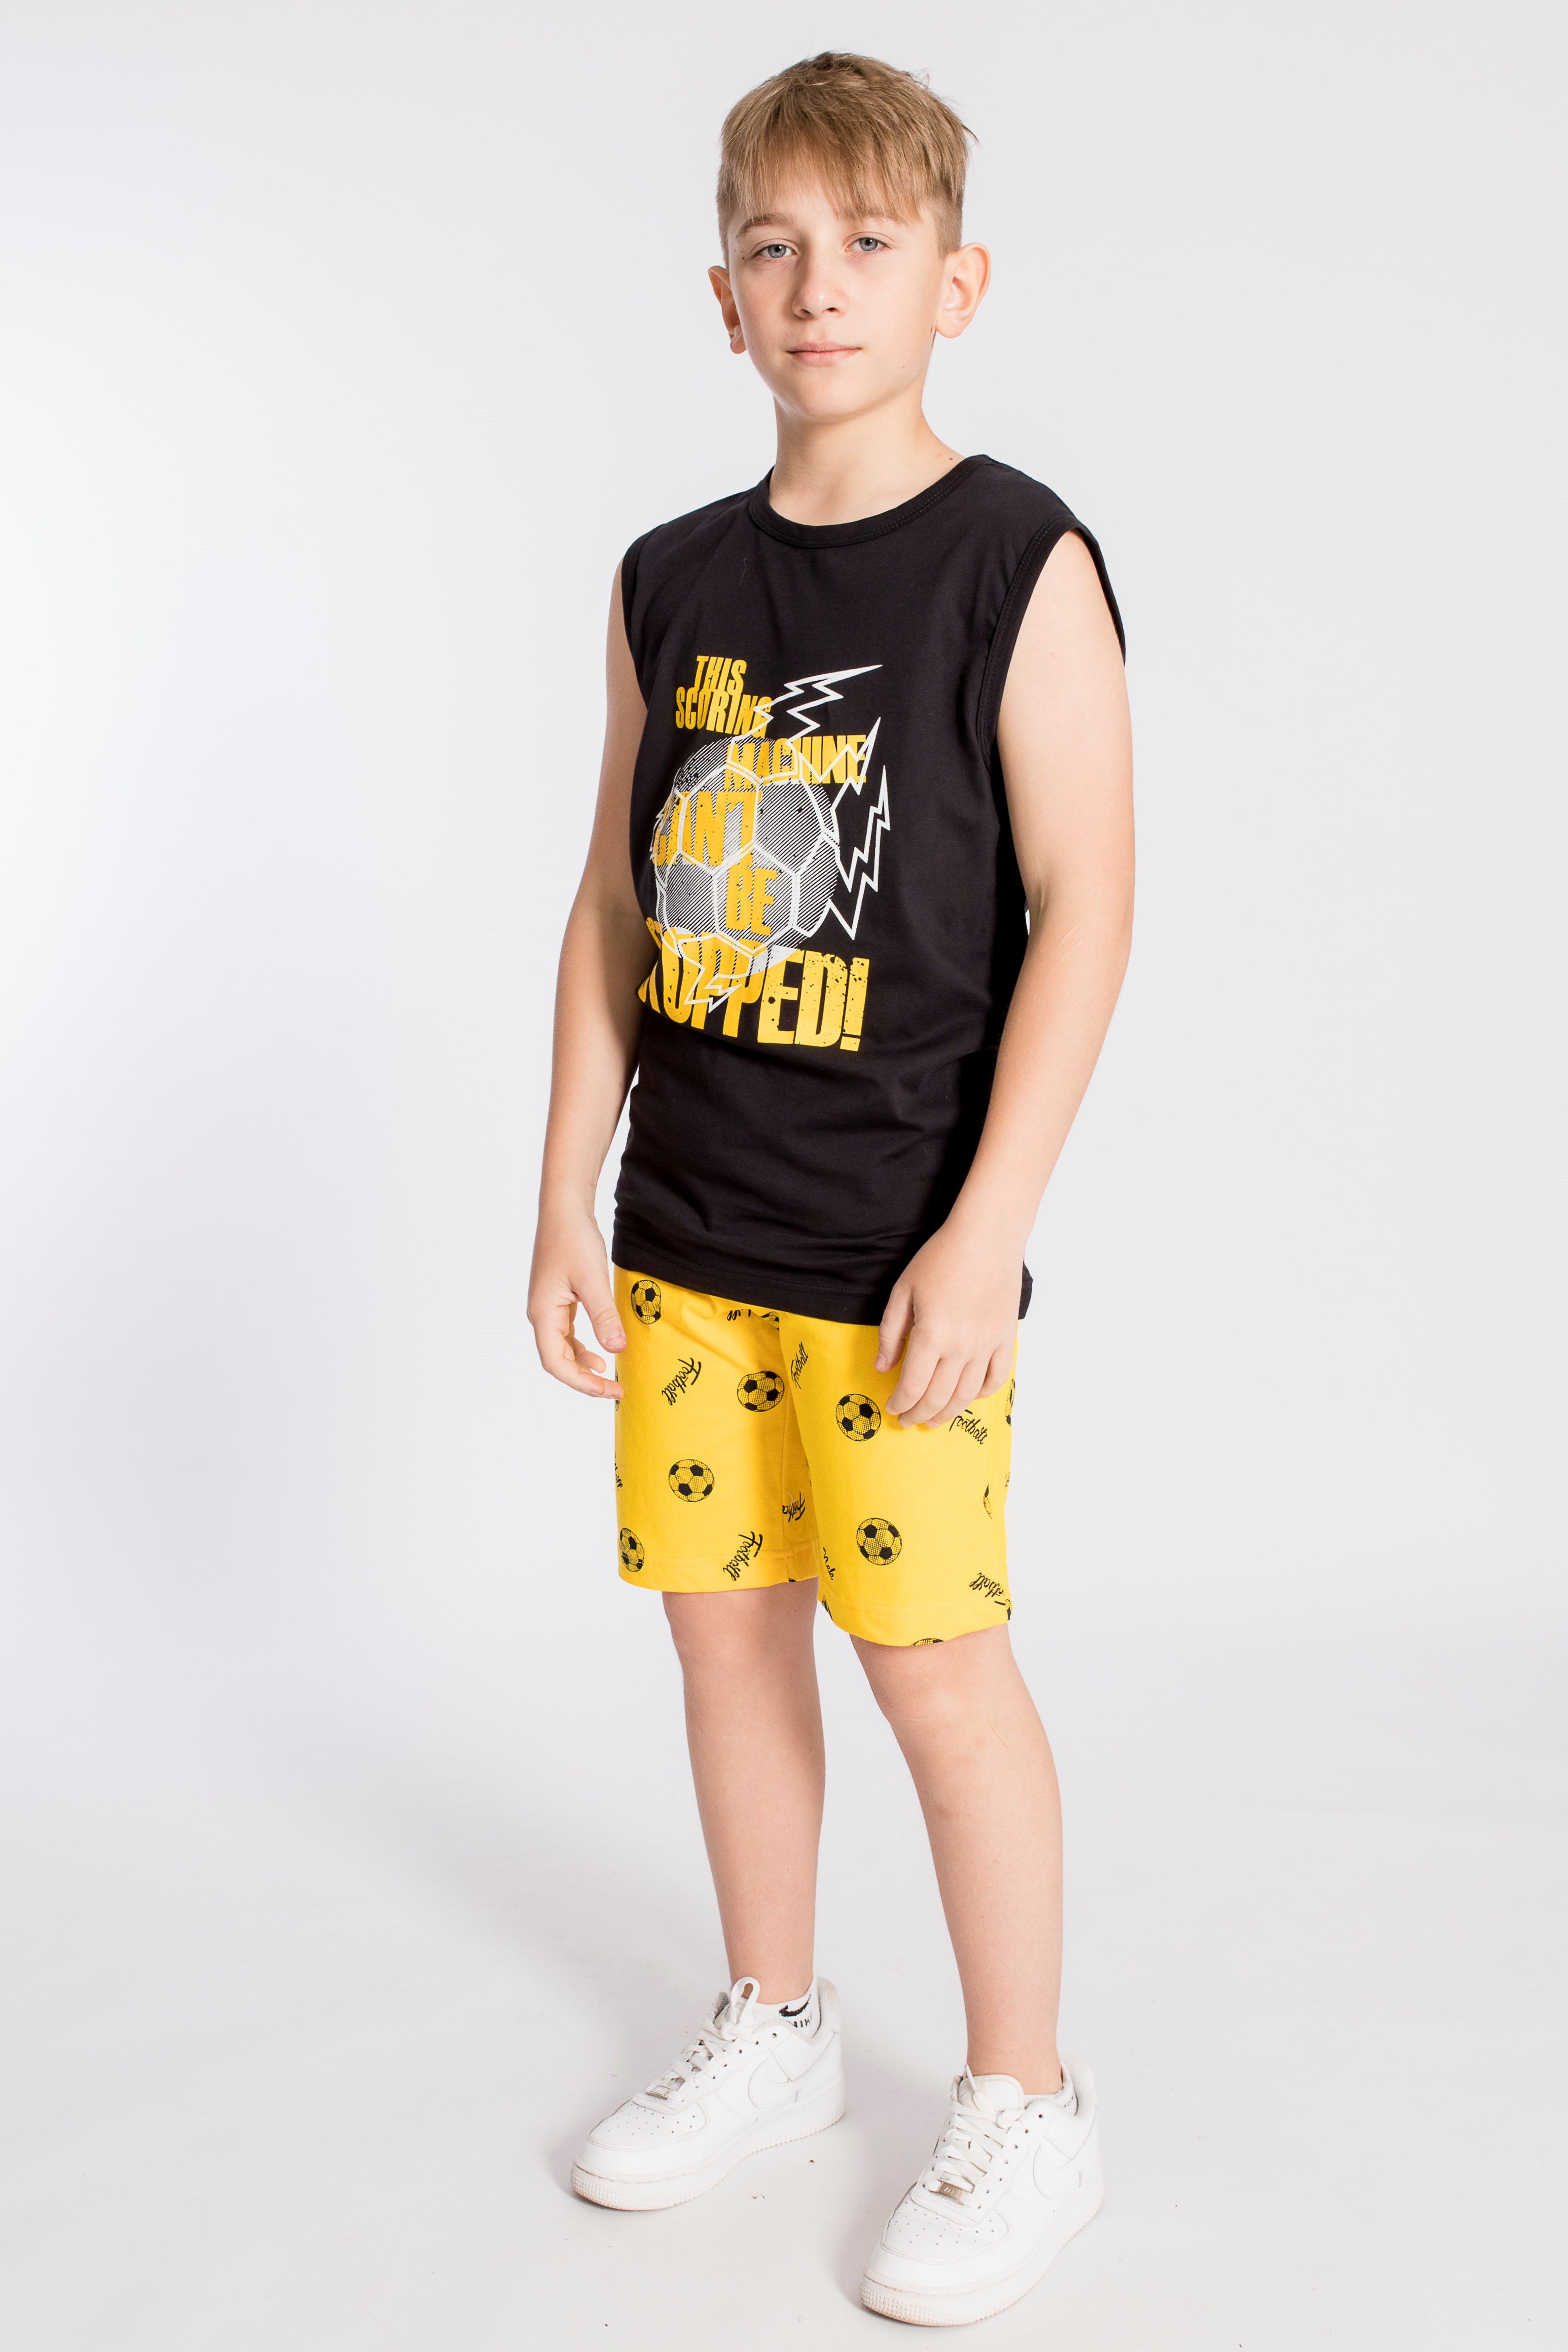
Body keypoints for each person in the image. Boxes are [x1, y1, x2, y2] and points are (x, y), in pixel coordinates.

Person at [527, 50, 1132, 2329]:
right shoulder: (667, 579)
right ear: (721, 293)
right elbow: (613, 901)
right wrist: (564, 1193)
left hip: (895, 1266)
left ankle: (1025, 2097)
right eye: (772, 245)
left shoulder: (1016, 560)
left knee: (931, 1667)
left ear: (954, 282)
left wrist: (985, 1231)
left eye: (868, 243)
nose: (818, 284)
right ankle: (774, 2025)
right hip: (689, 1245)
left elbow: (1090, 906)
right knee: (722, 1640)